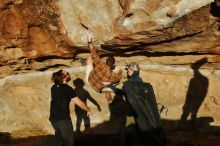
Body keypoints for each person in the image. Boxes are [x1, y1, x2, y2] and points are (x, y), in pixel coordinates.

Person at [104, 62, 166, 146]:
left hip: (131, 111)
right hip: (140, 110)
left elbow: (120, 92)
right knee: (138, 129)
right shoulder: (140, 80)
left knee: (125, 130)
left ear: (133, 70)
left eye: (128, 69)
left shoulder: (130, 82)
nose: (127, 71)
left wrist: (110, 86)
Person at [49, 69, 92, 146]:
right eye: (67, 73)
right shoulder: (67, 88)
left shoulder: (53, 87)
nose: (69, 74)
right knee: (68, 142)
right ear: (63, 77)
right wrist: (88, 109)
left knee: (59, 140)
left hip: (53, 119)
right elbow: (78, 102)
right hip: (63, 120)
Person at [84, 32, 123, 103]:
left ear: (105, 61)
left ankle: (83, 63)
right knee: (108, 85)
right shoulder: (111, 75)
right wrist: (120, 71)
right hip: (98, 88)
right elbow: (118, 79)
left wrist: (89, 41)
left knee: (90, 57)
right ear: (113, 65)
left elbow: (93, 51)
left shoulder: (100, 63)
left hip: (88, 80)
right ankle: (110, 101)